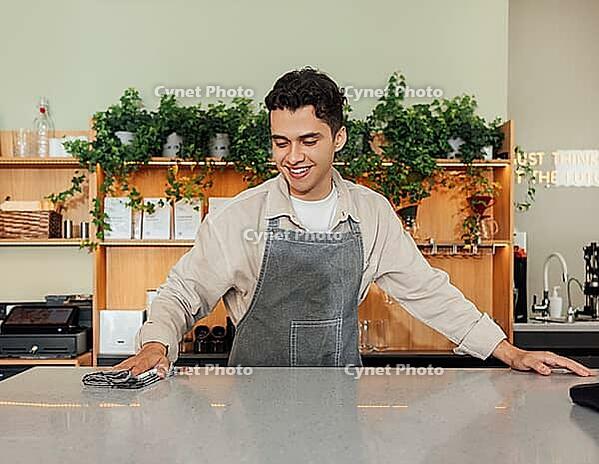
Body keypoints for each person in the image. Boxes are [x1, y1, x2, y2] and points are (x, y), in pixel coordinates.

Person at [116, 68, 593, 378]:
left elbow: (428, 292)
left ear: (338, 137)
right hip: (252, 404)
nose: (293, 157)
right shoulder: (241, 216)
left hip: (340, 399)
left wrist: (508, 351)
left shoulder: (370, 213)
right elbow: (183, 292)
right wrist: (156, 343)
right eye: (280, 142)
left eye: (308, 140)